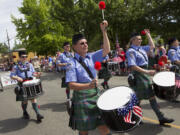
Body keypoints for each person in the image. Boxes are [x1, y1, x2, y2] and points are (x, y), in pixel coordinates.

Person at [66, 20, 111, 135]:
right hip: (82, 99)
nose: (85, 44)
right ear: (74, 47)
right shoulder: (71, 63)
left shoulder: (92, 56)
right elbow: (71, 85)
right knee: (84, 131)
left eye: (86, 42)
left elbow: (107, 50)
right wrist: (88, 85)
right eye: (82, 43)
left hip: (96, 96)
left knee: (104, 127)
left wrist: (104, 31)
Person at [126, 30, 174, 125]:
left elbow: (152, 46)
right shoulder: (131, 51)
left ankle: (135, 117)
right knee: (147, 96)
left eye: (140, 39)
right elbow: (133, 66)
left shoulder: (141, 48)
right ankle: (159, 117)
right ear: (133, 40)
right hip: (139, 75)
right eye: (138, 39)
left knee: (140, 98)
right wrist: (147, 71)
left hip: (144, 75)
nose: (140, 41)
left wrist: (148, 35)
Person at [10, 52, 44, 123]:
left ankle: (38, 114)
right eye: (23, 56)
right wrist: (17, 77)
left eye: (25, 56)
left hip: (31, 83)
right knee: (25, 101)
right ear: (19, 57)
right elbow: (12, 75)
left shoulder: (30, 65)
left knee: (33, 99)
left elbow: (33, 73)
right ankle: (25, 112)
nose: (24, 58)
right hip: (22, 84)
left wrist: (37, 74)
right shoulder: (16, 66)